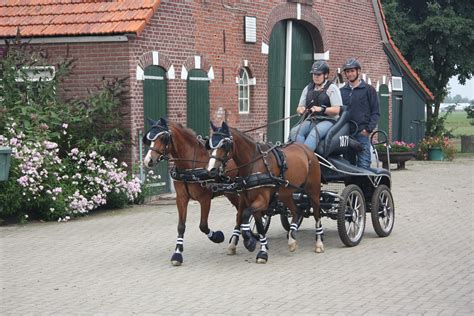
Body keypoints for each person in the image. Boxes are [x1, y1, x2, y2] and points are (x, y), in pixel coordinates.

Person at [289, 60, 342, 152]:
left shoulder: (332, 88)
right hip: (312, 119)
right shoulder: (308, 88)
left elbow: (337, 109)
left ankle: (306, 158)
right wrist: (301, 110)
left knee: (314, 134)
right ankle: (299, 155)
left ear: (325, 75)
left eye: (318, 75)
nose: (315, 77)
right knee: (295, 131)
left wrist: (322, 109)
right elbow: (299, 107)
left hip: (328, 120)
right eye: (314, 74)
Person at [340, 58, 380, 168]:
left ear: (358, 71)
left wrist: (368, 130)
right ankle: (352, 186)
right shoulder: (342, 92)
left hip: (362, 134)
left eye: (352, 71)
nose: (350, 74)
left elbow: (375, 112)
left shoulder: (369, 90)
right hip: (346, 134)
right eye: (347, 72)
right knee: (348, 166)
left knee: (363, 165)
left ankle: (365, 185)